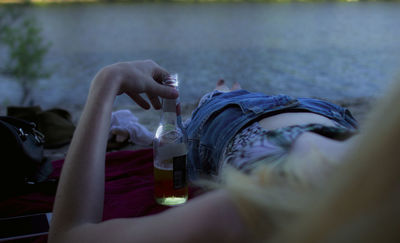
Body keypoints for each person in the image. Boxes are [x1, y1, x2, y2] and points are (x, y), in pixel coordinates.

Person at [48, 60, 396, 242]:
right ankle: (228, 95)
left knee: (219, 99)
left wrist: (107, 80)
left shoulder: (268, 210)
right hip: (309, 123)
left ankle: (226, 94)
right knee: (226, 99)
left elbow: (69, 236)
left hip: (320, 120)